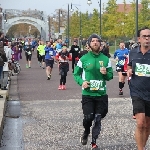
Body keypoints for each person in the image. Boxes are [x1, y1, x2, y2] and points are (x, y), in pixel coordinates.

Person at [73, 34, 113, 149]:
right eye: (93, 41)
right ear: (89, 44)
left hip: (101, 94)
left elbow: (110, 76)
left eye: (97, 41)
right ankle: (86, 132)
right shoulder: (84, 58)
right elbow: (76, 73)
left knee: (98, 117)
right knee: (88, 117)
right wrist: (82, 82)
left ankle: (94, 142)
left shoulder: (105, 59)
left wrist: (106, 73)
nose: (95, 43)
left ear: (100, 44)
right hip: (88, 94)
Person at [127, 27, 150, 150]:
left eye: (149, 36)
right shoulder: (133, 52)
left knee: (147, 126)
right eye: (144, 36)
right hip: (137, 91)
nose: (147, 38)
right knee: (140, 123)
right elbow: (129, 66)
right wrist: (129, 70)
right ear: (139, 39)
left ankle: (142, 145)